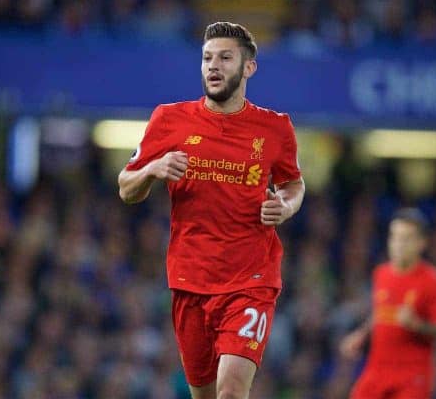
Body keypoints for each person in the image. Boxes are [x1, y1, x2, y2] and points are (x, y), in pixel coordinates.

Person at [118, 21, 305, 399]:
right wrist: (153, 170)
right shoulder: (169, 119)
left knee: (231, 391)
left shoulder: (275, 127)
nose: (213, 67)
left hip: (251, 280)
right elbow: (126, 187)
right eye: (206, 59)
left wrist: (284, 206)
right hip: (190, 280)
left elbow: (293, 184)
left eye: (224, 58)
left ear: (248, 67)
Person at [340, 208, 436, 399]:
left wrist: (419, 326)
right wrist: (362, 335)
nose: (398, 245)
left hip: (413, 376)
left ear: (422, 243)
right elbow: (381, 312)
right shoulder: (381, 274)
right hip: (377, 370)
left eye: (406, 239)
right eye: (394, 237)